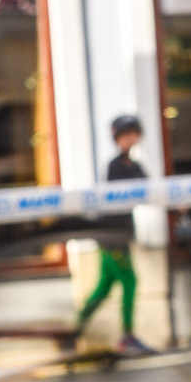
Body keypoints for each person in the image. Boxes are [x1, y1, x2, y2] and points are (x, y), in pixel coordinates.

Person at [77, 115, 154, 355]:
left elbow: (152, 190)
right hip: (112, 237)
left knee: (104, 287)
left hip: (119, 235)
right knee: (129, 281)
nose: (130, 139)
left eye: (133, 134)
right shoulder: (116, 166)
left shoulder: (135, 165)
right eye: (126, 135)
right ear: (118, 138)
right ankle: (127, 337)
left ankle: (73, 329)